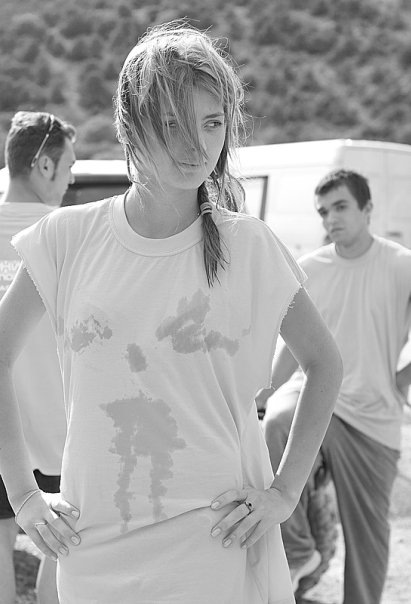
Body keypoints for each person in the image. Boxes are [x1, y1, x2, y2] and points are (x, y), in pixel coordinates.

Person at [0, 23, 342, 604]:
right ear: (131, 125)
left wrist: (285, 493)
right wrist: (24, 495)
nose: (196, 146)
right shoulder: (66, 237)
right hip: (95, 548)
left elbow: (325, 364)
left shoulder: (250, 245)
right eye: (172, 124)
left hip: (220, 544)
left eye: (212, 123)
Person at [259, 169, 411, 603]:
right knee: (276, 423)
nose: (331, 219)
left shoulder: (401, 265)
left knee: (368, 540)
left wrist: (401, 379)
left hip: (373, 417)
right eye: (323, 212)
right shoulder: (310, 269)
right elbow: (297, 348)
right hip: (316, 397)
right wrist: (264, 392)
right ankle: (299, 551)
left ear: (367, 209)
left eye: (340, 207)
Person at [0, 111, 76, 604]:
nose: (68, 182)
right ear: (44, 165)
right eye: (68, 167)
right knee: (62, 546)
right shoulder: (68, 235)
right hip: (61, 429)